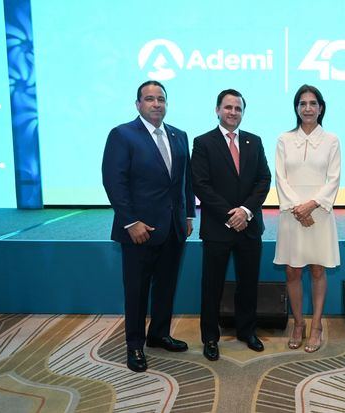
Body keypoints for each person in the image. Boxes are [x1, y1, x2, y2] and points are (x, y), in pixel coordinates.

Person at [102, 80, 195, 372]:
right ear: (138, 104)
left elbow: (185, 181)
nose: (157, 104)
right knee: (137, 290)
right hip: (139, 231)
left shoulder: (179, 135)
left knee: (166, 287)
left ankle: (159, 334)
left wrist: (189, 215)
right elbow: (114, 182)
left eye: (161, 99)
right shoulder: (122, 134)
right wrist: (131, 221)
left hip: (174, 228)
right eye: (150, 99)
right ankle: (134, 346)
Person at [191, 89, 271, 361]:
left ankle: (246, 331)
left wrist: (246, 211)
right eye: (228, 107)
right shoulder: (203, 143)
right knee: (211, 285)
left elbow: (264, 180)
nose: (233, 112)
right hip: (218, 228)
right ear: (217, 110)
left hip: (249, 226)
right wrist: (230, 214)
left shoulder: (254, 141)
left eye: (238, 108)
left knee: (248, 284)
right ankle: (210, 338)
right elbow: (200, 184)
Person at [273, 85, 340, 353]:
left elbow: (334, 178)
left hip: (320, 214)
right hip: (292, 215)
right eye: (303, 103)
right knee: (292, 270)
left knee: (317, 269)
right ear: (297, 108)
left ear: (321, 108)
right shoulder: (284, 139)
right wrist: (297, 209)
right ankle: (298, 324)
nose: (308, 108)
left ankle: (316, 326)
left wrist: (311, 205)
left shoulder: (332, 139)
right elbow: (280, 177)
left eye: (313, 103)